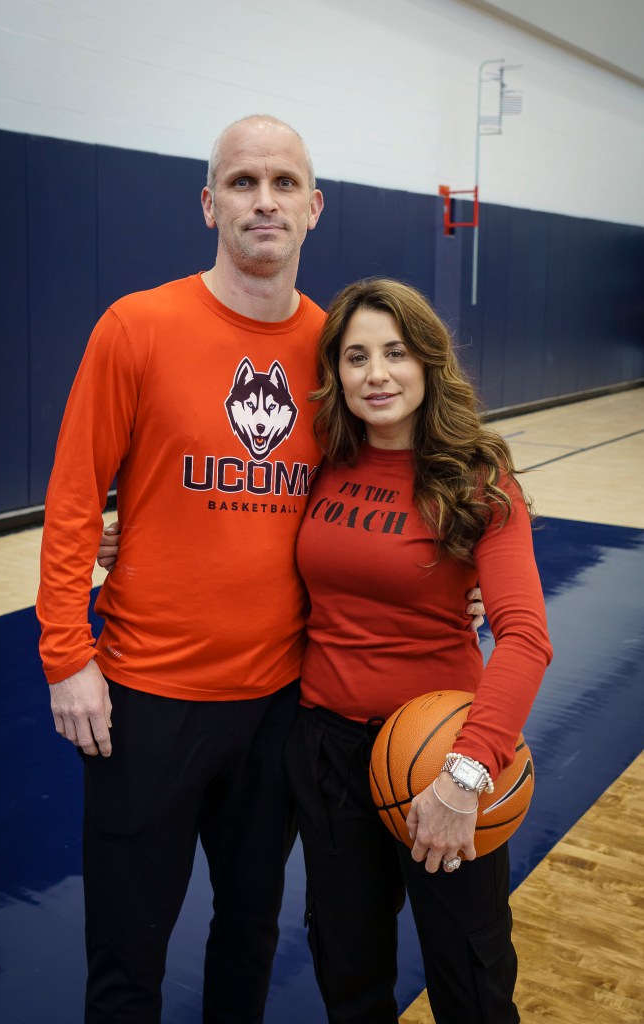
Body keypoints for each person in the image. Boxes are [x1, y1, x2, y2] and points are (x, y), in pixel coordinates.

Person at [38, 114, 484, 1024]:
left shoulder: (333, 353)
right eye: (242, 182)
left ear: (314, 209)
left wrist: (457, 573)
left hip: (282, 702)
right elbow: (75, 498)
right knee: (127, 949)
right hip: (142, 697)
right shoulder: (136, 326)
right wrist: (65, 653)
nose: (264, 200)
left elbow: (385, 493)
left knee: (247, 934)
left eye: (284, 183)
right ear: (209, 203)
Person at [283, 277, 553, 1023]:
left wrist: (464, 776)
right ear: (334, 371)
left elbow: (526, 637)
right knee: (348, 972)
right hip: (328, 754)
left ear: (429, 362)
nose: (376, 374)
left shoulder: (476, 478)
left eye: (395, 352)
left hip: (444, 759)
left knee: (470, 980)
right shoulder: (319, 462)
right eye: (355, 356)